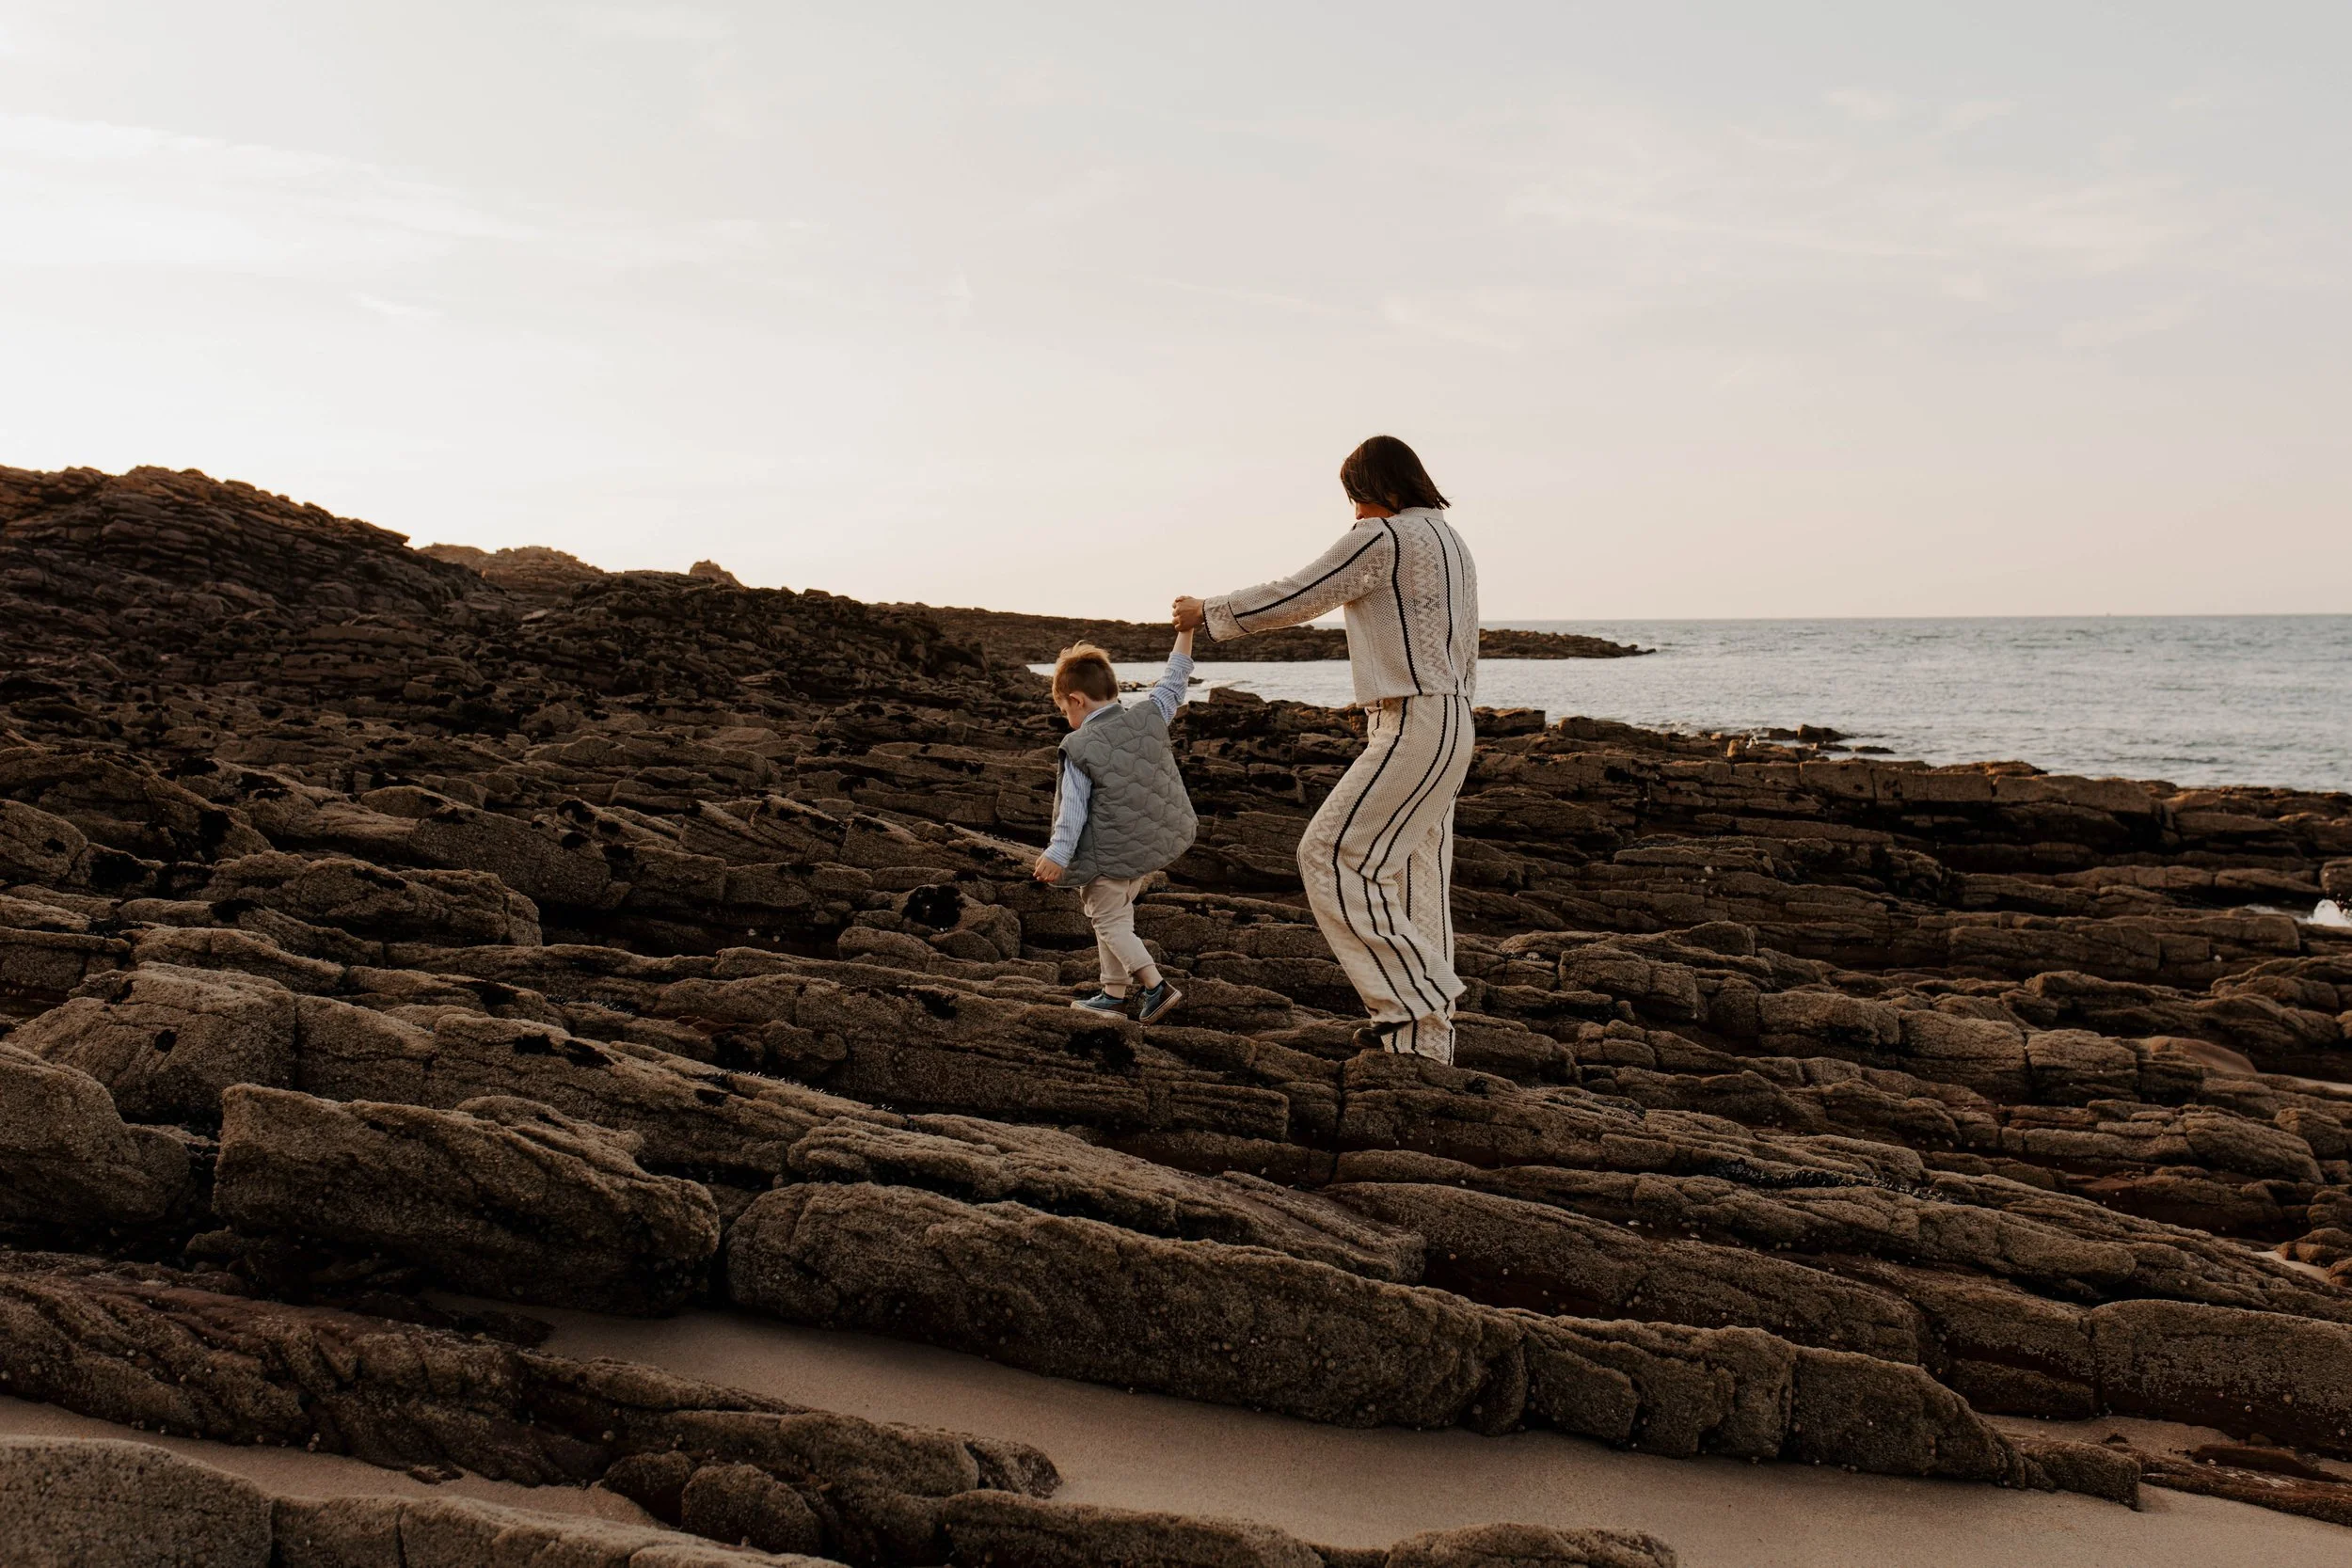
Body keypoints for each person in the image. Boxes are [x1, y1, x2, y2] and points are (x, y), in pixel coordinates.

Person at [1173, 436, 1475, 1062]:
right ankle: (1424, 1044)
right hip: (1455, 719)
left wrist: (1208, 611)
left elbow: (1301, 592)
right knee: (1417, 879)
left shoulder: (1384, 537)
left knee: (1331, 855)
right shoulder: (1453, 544)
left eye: (1357, 497)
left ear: (1384, 488)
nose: (1354, 511)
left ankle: (1412, 1002)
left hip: (1413, 718)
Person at [1033, 629, 1200, 1023]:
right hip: (1141, 851)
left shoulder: (1079, 746)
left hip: (1105, 857)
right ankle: (1112, 993)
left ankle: (1156, 986)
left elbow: (1072, 811)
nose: (1068, 719)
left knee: (1108, 921)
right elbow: (1174, 681)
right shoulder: (1148, 715)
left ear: (1076, 700)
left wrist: (1057, 854)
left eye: (1064, 710)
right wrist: (1186, 631)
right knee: (1115, 921)